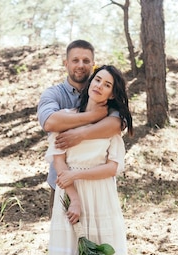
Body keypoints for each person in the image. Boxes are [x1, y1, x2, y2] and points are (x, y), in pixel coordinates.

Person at [45, 65, 142, 255]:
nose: (99, 85)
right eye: (97, 79)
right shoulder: (66, 118)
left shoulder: (112, 125)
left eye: (107, 84)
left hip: (100, 196)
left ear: (113, 93)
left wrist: (78, 176)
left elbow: (113, 167)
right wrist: (73, 197)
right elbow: (59, 162)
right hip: (70, 196)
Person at [37, 40, 121, 216]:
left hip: (98, 187)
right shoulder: (54, 94)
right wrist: (93, 116)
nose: (81, 65)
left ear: (93, 64)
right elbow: (50, 122)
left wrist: (80, 134)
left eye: (86, 61)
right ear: (66, 63)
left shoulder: (104, 93)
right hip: (63, 184)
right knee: (66, 241)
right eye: (75, 60)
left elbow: (116, 124)